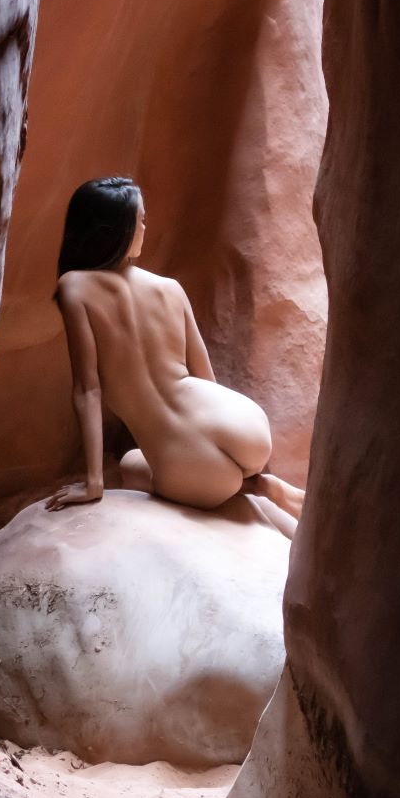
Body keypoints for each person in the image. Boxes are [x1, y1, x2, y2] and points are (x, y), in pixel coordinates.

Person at [46, 175, 304, 537]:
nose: (144, 228)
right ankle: (259, 481)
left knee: (132, 464)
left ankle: (252, 486)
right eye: (140, 220)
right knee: (186, 453)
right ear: (117, 230)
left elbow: (87, 390)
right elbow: (206, 379)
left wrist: (93, 482)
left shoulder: (74, 286)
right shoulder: (170, 288)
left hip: (195, 472)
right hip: (243, 423)